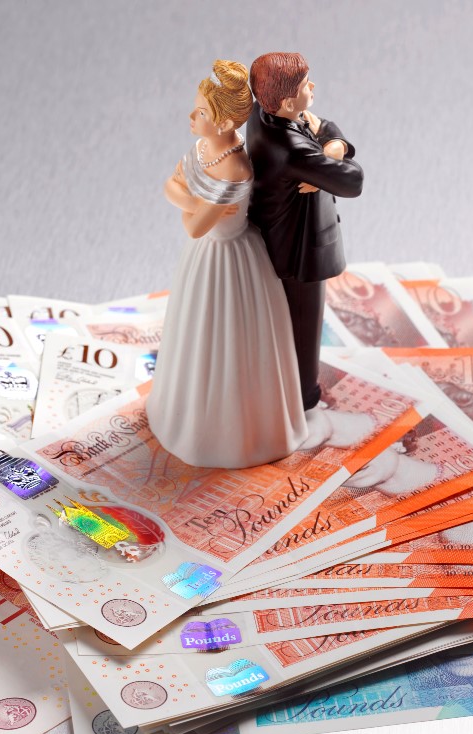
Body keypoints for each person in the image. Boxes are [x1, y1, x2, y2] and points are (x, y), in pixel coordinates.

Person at [145, 61, 308, 469]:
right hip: (204, 261)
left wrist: (190, 203)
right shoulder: (203, 148)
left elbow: (195, 225)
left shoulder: (235, 168)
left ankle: (235, 437)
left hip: (232, 262)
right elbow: (170, 189)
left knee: (233, 344)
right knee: (196, 336)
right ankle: (187, 418)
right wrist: (194, 203)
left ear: (219, 121)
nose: (190, 116)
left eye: (199, 112)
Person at [246, 52, 364, 411]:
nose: (312, 87)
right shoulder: (292, 151)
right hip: (300, 251)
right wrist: (327, 161)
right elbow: (353, 181)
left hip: (279, 239)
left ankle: (285, 387)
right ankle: (301, 397)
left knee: (287, 323)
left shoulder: (262, 115)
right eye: (304, 86)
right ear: (285, 101)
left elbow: (321, 123)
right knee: (303, 325)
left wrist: (333, 146)